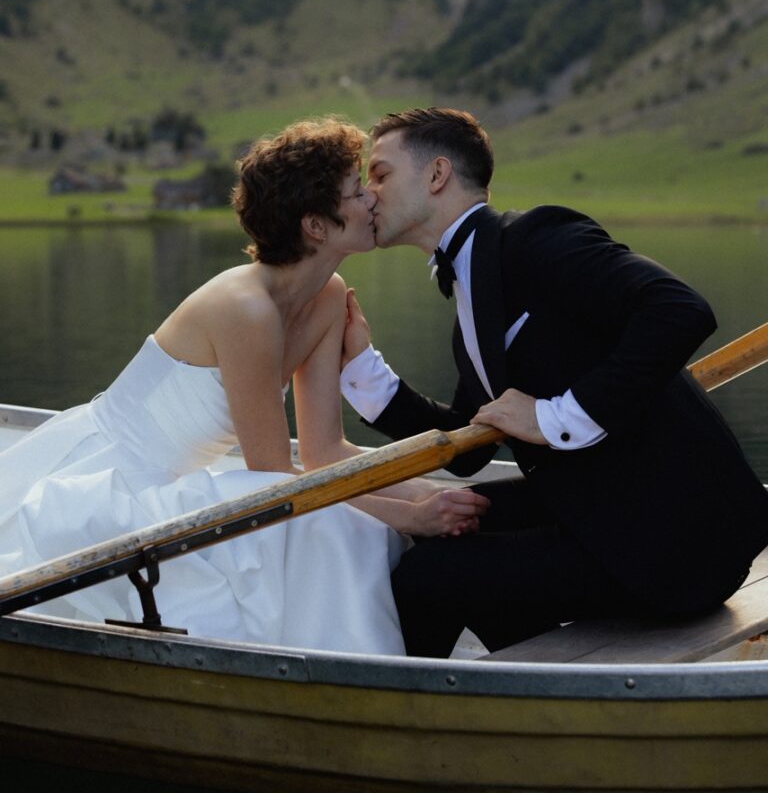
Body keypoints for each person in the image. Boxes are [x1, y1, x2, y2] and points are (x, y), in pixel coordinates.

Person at [0, 118, 486, 655]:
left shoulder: (328, 296)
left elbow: (325, 453)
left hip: (205, 479)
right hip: (115, 482)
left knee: (353, 526)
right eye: (355, 191)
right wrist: (412, 516)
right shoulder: (246, 310)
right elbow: (277, 483)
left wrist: (430, 490)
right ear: (316, 227)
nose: (373, 198)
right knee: (338, 535)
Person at [340, 106, 768, 658]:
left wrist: (554, 417)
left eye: (380, 173)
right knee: (453, 519)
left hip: (678, 542)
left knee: (430, 575)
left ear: (437, 174)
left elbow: (679, 309)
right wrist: (360, 366)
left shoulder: (536, 237)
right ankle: (529, 683)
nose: (370, 193)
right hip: (604, 510)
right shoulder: (472, 296)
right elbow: (467, 445)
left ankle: (402, 722)